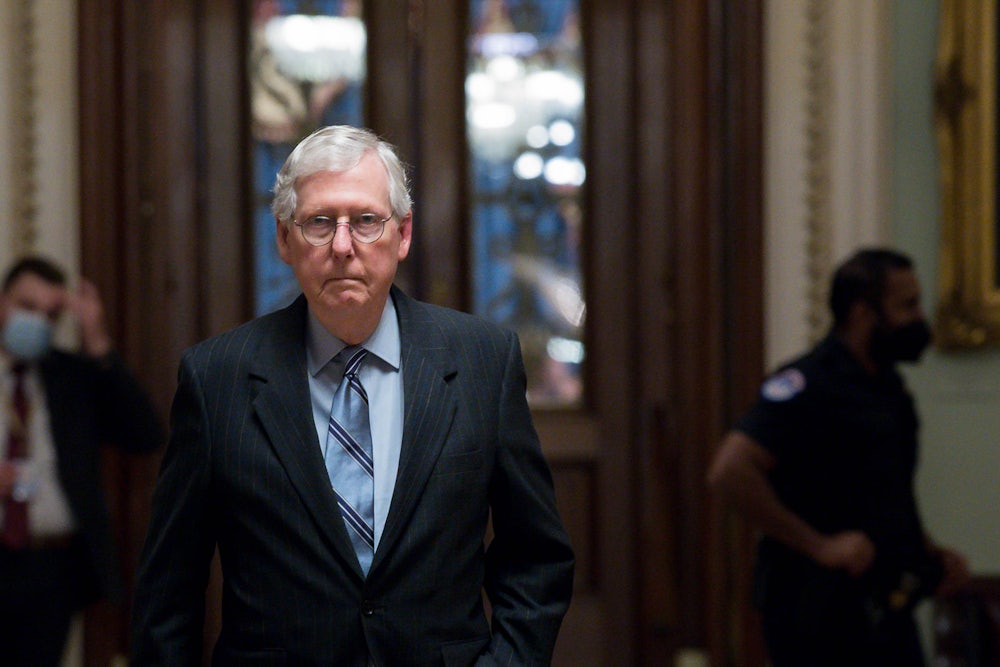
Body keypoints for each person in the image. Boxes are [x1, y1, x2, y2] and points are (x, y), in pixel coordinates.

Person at [130, 125, 575, 666]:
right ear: (283, 238)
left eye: (366, 220)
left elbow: (536, 557)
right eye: (319, 222)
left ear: (403, 234)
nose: (343, 246)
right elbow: (168, 591)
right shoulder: (217, 377)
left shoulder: (483, 361)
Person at [707, 248, 970, 666]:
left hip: (885, 608)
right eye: (907, 306)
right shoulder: (808, 384)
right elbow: (729, 471)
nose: (920, 318)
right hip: (816, 612)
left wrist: (929, 553)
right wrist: (820, 545)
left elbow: (882, 492)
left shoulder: (888, 389)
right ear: (863, 313)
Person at [0, 256, 164, 666]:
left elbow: (145, 434)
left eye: (50, 314)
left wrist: (97, 343)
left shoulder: (71, 376)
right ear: (2, 303)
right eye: (27, 307)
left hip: (51, 566)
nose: (36, 321)